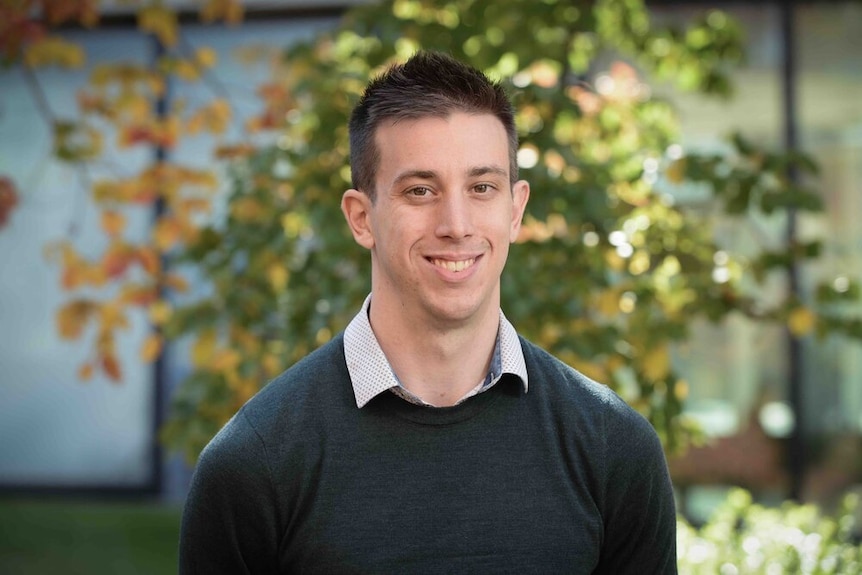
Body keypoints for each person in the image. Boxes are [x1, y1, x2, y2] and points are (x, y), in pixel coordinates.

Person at [179, 50, 678, 574]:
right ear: (361, 217)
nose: (456, 224)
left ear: (515, 209)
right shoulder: (254, 464)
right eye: (420, 190)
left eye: (481, 187)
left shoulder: (613, 449)